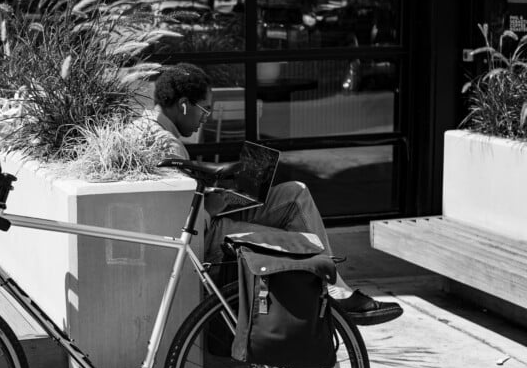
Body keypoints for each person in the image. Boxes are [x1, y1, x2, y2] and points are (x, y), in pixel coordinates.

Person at [149, 63, 403, 325]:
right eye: (205, 109)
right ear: (182, 105)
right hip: (209, 231)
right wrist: (208, 208)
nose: (207, 118)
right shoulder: (166, 144)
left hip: (210, 213)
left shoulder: (151, 129)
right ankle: (334, 294)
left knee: (295, 194)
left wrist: (214, 196)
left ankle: (334, 288)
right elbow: (184, 224)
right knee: (298, 240)